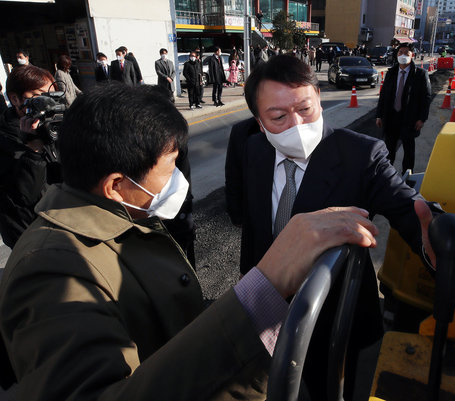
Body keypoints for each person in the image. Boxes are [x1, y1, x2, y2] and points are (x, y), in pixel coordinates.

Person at [0, 83, 379, 399]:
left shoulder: (126, 217)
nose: (178, 181)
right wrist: (263, 288)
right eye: (170, 167)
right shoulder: (52, 270)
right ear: (116, 186)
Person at [241, 54, 455, 400]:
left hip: (333, 321)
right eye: (279, 117)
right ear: (259, 122)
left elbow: (405, 205)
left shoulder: (361, 155)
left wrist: (436, 240)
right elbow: (253, 229)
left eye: (305, 109)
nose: (297, 124)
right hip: (266, 309)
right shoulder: (253, 150)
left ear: (319, 99)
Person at [0, 65, 62, 249]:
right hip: (29, 234)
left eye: (51, 95)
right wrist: (33, 148)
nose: (46, 102)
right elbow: (25, 195)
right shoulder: (5, 139)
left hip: (59, 223)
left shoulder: (50, 124)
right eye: (38, 96)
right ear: (14, 99)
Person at [376, 43, 431, 173]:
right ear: (396, 55)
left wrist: (422, 119)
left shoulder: (420, 74)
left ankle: (407, 178)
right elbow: (383, 96)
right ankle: (387, 176)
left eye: (407, 53)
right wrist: (379, 115)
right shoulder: (391, 73)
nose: (403, 55)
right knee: (389, 149)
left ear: (412, 56)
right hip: (391, 117)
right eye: (400, 52)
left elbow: (426, 98)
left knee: (408, 150)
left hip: (409, 118)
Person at [225, 117, 261, 226]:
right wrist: (237, 215)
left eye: (305, 109)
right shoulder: (242, 131)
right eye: (278, 117)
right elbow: (233, 178)